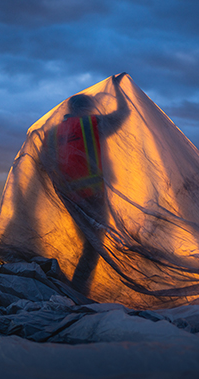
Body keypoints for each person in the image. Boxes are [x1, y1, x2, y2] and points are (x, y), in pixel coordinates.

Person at [45, 72, 129, 292]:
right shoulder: (94, 123)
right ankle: (77, 293)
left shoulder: (54, 133)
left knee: (87, 245)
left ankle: (72, 289)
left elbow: (45, 164)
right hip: (93, 195)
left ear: (69, 109)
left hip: (70, 198)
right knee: (93, 248)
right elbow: (124, 112)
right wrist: (117, 89)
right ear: (90, 108)